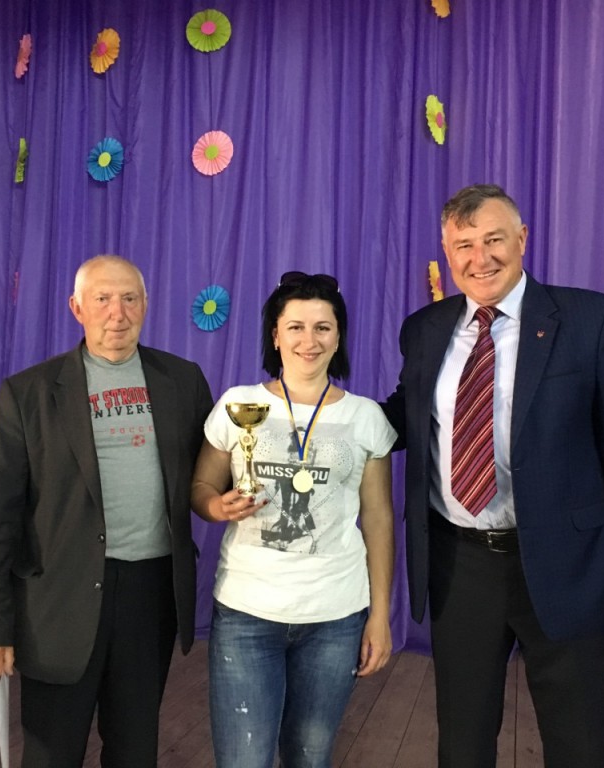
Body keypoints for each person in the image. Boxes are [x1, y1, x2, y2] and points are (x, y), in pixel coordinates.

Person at [382, 185, 604, 767]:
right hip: (459, 566)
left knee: (578, 747)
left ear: (522, 239)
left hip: (564, 561)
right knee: (462, 747)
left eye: (494, 239)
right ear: (448, 253)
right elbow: (403, 417)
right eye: (464, 245)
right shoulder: (424, 329)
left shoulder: (588, 319)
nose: (480, 258)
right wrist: (324, 417)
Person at [0, 255, 213, 767]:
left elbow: (211, 473)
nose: (117, 313)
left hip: (149, 595)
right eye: (102, 299)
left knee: (134, 750)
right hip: (59, 600)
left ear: (145, 305)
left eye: (129, 299)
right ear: (77, 308)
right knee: (52, 754)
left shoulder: (183, 381)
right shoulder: (29, 393)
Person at [191, 271, 396, 768]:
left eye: (323, 328)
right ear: (276, 335)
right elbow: (200, 489)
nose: (310, 340)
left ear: (339, 337)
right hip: (247, 611)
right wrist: (217, 507)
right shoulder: (238, 404)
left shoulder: (366, 417)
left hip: (335, 617)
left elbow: (378, 518)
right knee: (244, 759)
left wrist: (379, 615)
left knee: (311, 757)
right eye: (296, 327)